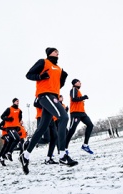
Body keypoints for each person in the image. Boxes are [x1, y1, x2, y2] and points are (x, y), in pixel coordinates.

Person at [20, 47, 78, 175]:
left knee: (42, 128)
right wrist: (40, 76)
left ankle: (26, 155)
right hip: (45, 95)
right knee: (64, 118)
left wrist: (63, 79)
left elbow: (57, 85)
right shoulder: (43, 62)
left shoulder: (58, 68)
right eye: (55, 51)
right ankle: (62, 156)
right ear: (49, 53)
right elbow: (29, 75)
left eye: (58, 51)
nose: (58, 52)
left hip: (53, 96)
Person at [65, 79, 94, 155]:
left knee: (90, 125)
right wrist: (83, 97)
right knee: (71, 130)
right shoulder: (74, 89)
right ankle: (64, 148)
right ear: (75, 83)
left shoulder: (78, 90)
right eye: (79, 82)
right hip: (75, 113)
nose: (80, 83)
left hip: (82, 113)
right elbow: (74, 99)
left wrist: (82, 99)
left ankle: (85, 145)